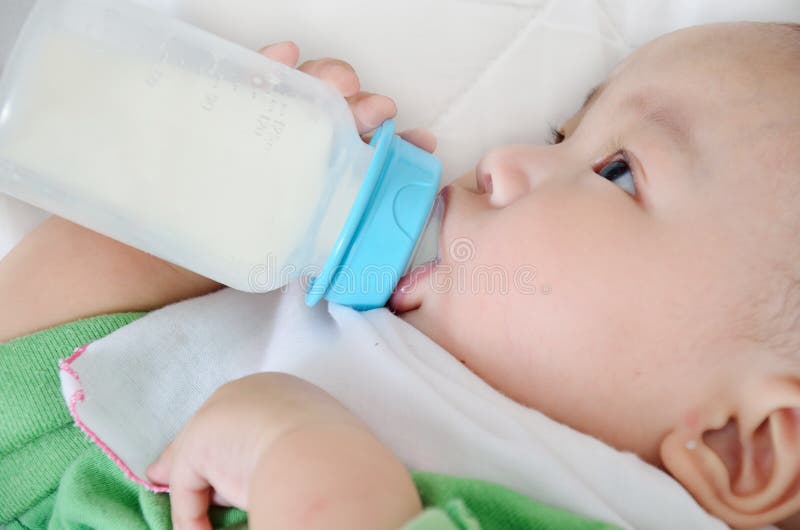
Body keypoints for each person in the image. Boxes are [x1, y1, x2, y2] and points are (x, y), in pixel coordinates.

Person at [1, 20, 799, 530]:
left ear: (746, 449)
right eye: (562, 131)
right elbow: (22, 435)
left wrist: (314, 465)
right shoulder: (342, 333)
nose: (503, 162)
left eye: (616, 171)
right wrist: (182, 206)